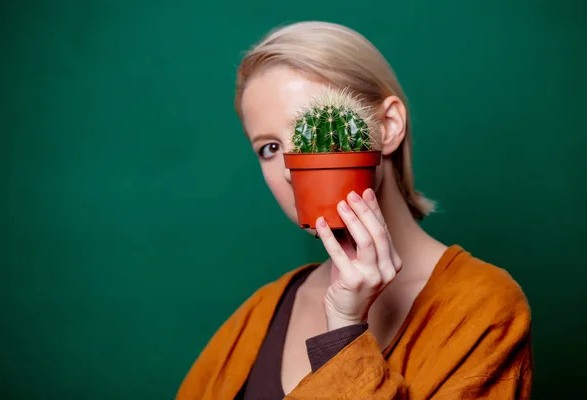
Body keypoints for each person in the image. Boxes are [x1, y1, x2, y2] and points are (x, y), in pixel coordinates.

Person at [175, 21, 533, 399]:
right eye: (269, 148)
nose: (288, 168)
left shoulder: (482, 309)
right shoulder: (261, 312)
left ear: (388, 127)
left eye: (308, 131)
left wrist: (344, 331)